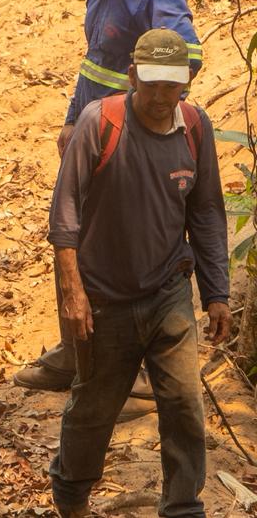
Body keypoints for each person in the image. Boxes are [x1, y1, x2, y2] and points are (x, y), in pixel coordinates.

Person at [15, 0, 204, 419]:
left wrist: (143, 121)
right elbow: (94, 63)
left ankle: (125, 375)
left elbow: (185, 56)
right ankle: (78, 353)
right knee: (74, 237)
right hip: (91, 138)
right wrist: (73, 119)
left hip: (128, 144)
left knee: (117, 252)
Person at [47, 29, 230, 518]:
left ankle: (183, 506)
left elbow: (207, 210)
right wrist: (73, 294)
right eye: (150, 84)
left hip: (168, 289)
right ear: (132, 77)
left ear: (186, 83)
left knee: (184, 405)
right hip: (104, 296)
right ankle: (71, 497)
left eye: (170, 86)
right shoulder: (100, 123)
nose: (159, 97)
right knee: (93, 408)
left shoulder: (194, 127)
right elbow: (63, 216)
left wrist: (216, 292)